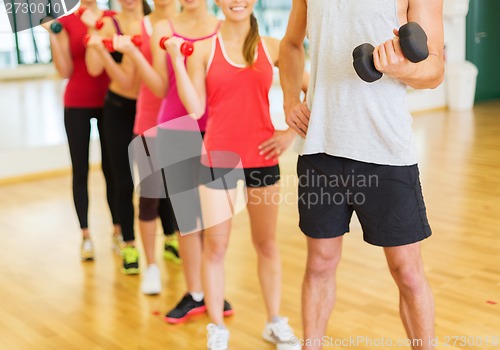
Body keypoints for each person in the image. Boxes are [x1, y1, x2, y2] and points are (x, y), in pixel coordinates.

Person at [279, 0, 444, 349]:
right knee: (320, 263)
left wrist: (401, 69)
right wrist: (290, 100)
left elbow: (434, 68)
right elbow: (291, 44)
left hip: (385, 149)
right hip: (321, 146)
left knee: (407, 271)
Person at [164, 0, 306, 348]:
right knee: (216, 247)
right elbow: (195, 107)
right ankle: (218, 328)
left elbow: (311, 86)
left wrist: (290, 131)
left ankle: (274, 321)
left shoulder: (272, 47)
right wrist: (177, 62)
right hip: (217, 160)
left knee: (267, 244)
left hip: (263, 158)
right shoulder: (202, 50)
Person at [123, 0, 234, 322]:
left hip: (218, 129)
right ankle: (196, 293)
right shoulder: (163, 29)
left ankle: (213, 289)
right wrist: (134, 55)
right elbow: (159, 86)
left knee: (215, 222)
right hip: (175, 127)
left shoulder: (222, 26)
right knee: (189, 222)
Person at [41, 1, 118, 261]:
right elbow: (65, 71)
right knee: (80, 171)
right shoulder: (67, 22)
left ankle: (119, 232)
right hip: (77, 104)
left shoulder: (113, 18)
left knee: (113, 170)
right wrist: (54, 36)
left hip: (111, 102)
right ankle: (86, 237)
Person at [111, 0, 179, 295]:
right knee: (150, 196)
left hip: (187, 120)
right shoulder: (143, 27)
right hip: (151, 119)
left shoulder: (192, 23)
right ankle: (151, 267)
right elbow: (135, 81)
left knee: (186, 200)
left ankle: (196, 274)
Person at [85, 0, 149, 274]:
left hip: (149, 108)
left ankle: (171, 237)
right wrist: (94, 34)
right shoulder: (110, 24)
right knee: (123, 180)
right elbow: (94, 68)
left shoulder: (155, 22)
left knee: (159, 179)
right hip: (118, 109)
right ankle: (129, 243)